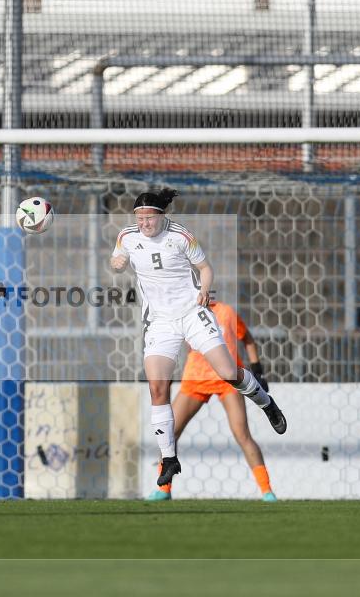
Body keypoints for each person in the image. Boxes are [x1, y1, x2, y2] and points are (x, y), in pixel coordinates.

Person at [110, 188, 286, 489]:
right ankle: (169, 459)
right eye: (139, 217)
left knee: (229, 373)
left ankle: (267, 403)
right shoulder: (127, 236)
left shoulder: (181, 236)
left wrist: (205, 289)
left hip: (192, 313)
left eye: (149, 217)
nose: (144, 223)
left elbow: (204, 269)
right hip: (160, 322)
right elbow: (118, 257)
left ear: (161, 215)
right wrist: (117, 263)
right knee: (157, 388)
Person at [147, 301, 277, 502]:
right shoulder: (185, 312)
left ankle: (267, 491)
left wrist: (257, 369)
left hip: (227, 382)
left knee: (242, 434)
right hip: (195, 379)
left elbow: (248, 339)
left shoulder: (226, 312)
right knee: (169, 433)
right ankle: (164, 489)